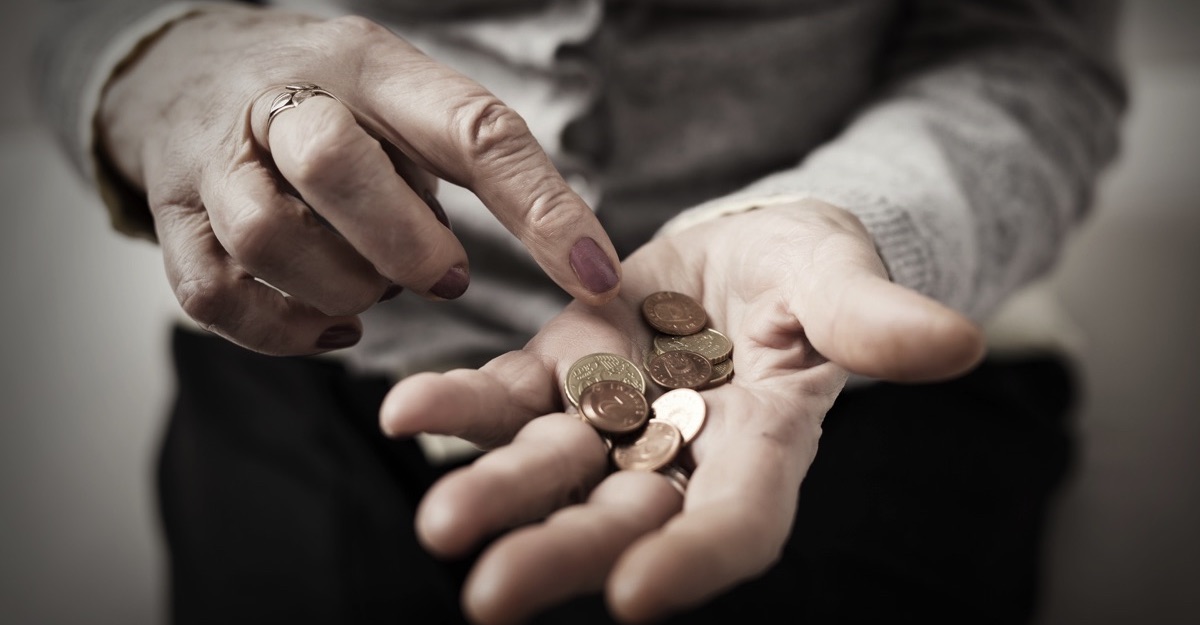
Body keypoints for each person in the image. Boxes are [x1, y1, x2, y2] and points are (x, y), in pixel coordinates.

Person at [35, 0, 1126, 623]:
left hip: (831, 390)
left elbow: (1031, 48)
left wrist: (861, 219)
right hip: (305, 364)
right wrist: (159, 66)